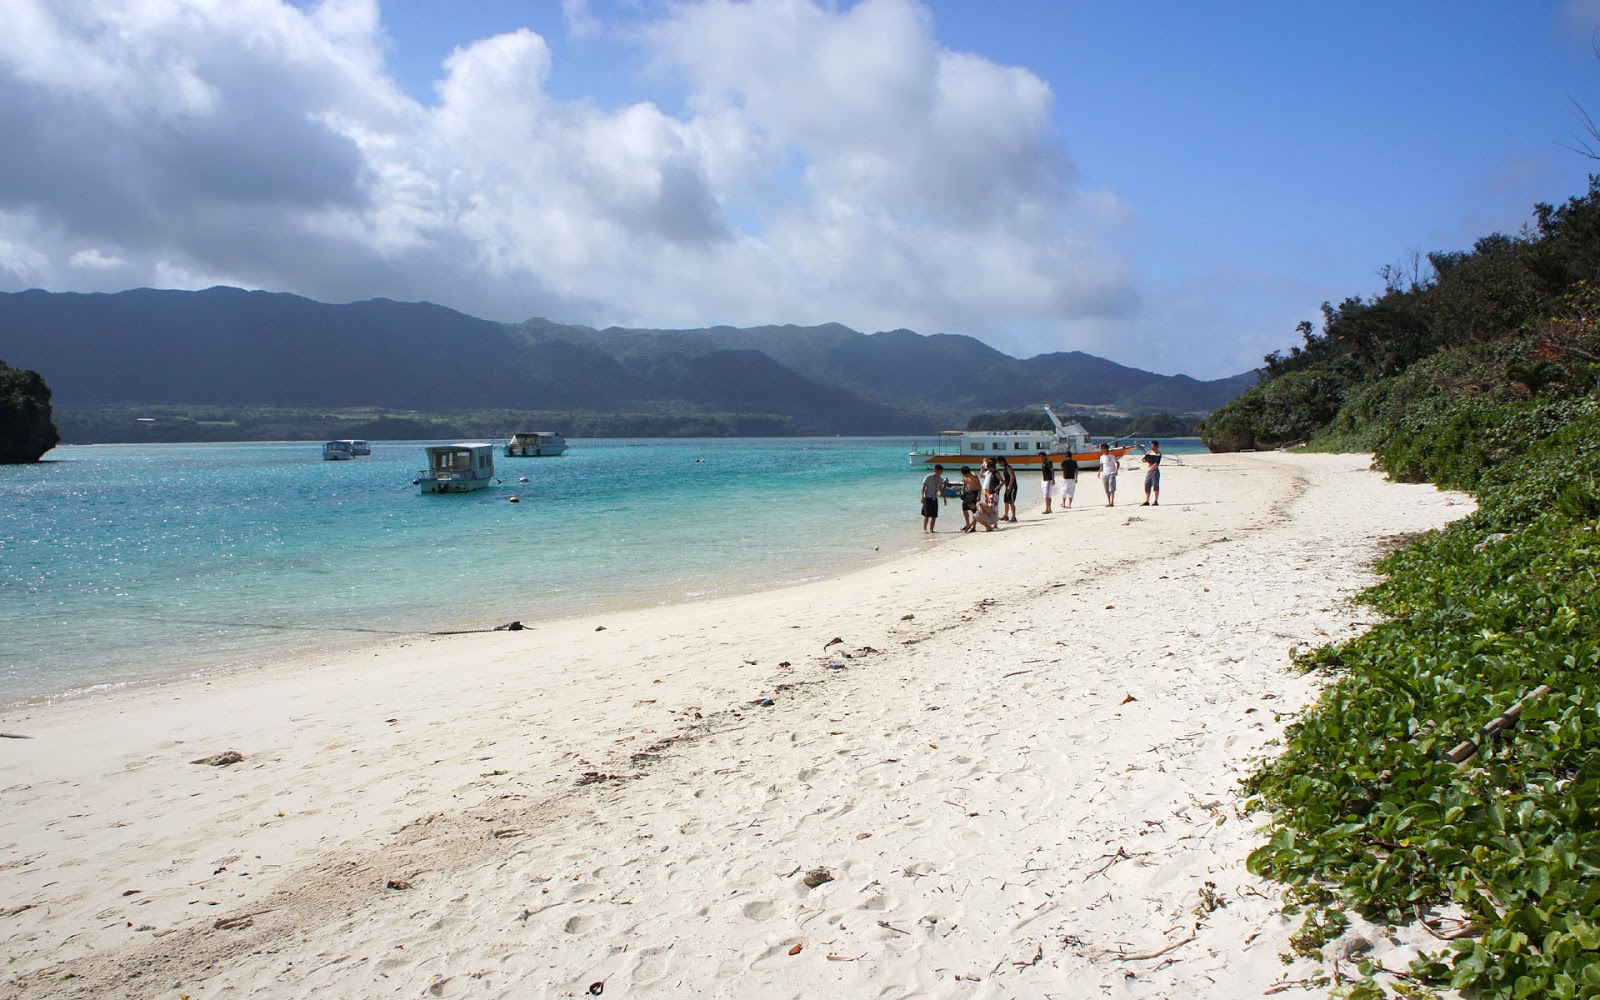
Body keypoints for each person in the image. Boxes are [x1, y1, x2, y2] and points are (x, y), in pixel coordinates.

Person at [920, 464, 947, 532]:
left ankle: (931, 529)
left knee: (934, 515)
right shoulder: (928, 477)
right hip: (928, 498)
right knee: (926, 515)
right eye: (940, 471)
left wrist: (944, 498)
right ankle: (925, 529)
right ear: (936, 470)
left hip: (935, 498)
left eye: (941, 472)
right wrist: (923, 497)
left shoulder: (940, 479)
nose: (941, 473)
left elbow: (941, 489)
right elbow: (923, 487)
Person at [959, 465, 981, 532]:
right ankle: (967, 523)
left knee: (974, 510)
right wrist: (963, 492)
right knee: (964, 508)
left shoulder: (974, 476)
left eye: (965, 474)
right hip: (969, 492)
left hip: (975, 492)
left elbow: (979, 486)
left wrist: (979, 496)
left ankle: (973, 527)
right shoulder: (964, 476)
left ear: (968, 473)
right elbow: (964, 484)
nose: (964, 476)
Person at [1141, 441, 1162, 506]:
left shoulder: (1159, 453)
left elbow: (1157, 462)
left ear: (1156, 446)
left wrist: (1151, 467)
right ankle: (1147, 500)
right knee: (1147, 485)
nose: (1151, 447)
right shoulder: (1149, 452)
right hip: (1149, 471)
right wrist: (1145, 459)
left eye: (1152, 446)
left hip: (1155, 471)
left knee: (1155, 486)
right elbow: (1144, 459)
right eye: (1151, 445)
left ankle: (1155, 500)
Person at [1098, 442, 1119, 507]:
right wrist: (1099, 472)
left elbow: (1117, 463)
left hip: (1111, 473)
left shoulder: (1111, 456)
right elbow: (1101, 466)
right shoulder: (1102, 457)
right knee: (1106, 489)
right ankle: (1109, 501)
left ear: (1106, 449)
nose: (1102, 450)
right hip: (1105, 474)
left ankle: (1112, 502)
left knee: (1111, 488)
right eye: (1101, 449)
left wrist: (1116, 471)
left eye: (1103, 448)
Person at [999, 456, 1019, 522]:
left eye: (999, 463)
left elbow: (1012, 476)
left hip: (1012, 487)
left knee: (1011, 502)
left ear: (1002, 462)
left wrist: (1010, 485)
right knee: (1006, 501)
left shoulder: (1008, 467)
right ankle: (1006, 516)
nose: (999, 464)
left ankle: (1013, 517)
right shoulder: (1005, 468)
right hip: (1007, 487)